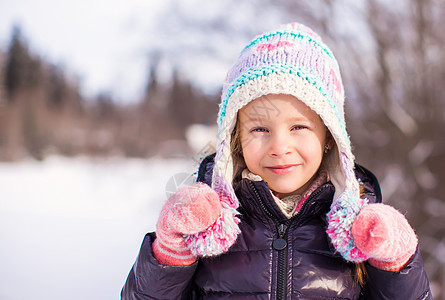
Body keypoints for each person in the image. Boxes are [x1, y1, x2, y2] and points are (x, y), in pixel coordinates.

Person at [121, 22, 431, 299]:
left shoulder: (360, 230)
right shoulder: (207, 224)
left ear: (329, 137)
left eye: (298, 127)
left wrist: (397, 261)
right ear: (235, 139)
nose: (280, 147)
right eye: (260, 129)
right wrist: (170, 252)